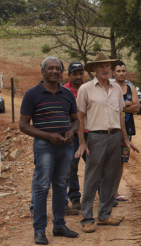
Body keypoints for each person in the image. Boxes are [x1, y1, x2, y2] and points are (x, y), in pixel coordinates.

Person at [74, 52, 140, 233]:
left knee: (110, 177)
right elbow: (80, 116)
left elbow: (120, 114)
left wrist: (125, 139)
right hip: (96, 137)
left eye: (107, 66)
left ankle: (104, 215)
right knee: (92, 178)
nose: (105, 69)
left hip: (115, 137)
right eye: (101, 66)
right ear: (94, 69)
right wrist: (82, 142)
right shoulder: (85, 89)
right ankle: (87, 218)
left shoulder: (116, 88)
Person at [20, 56, 79, 245]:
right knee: (42, 187)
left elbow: (76, 120)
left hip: (66, 146)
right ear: (42, 71)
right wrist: (48, 136)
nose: (55, 71)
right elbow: (23, 125)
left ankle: (59, 225)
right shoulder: (32, 94)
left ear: (62, 72)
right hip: (45, 147)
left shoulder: (68, 94)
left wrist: (71, 131)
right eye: (50, 68)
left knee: (61, 185)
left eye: (58, 68)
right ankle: (39, 230)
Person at [112, 61, 140, 202]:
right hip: (111, 128)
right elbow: (111, 108)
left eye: (123, 70)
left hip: (127, 129)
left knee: (121, 161)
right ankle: (105, 192)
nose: (121, 73)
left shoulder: (131, 89)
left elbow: (137, 108)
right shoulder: (110, 87)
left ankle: (115, 193)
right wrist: (128, 103)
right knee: (109, 161)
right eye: (118, 71)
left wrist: (122, 106)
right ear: (113, 73)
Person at [64, 61, 86, 215]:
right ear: (69, 75)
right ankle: (75, 198)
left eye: (80, 73)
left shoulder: (89, 88)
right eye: (75, 74)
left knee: (94, 165)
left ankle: (103, 196)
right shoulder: (64, 91)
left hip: (89, 133)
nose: (78, 76)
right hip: (72, 134)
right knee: (72, 168)